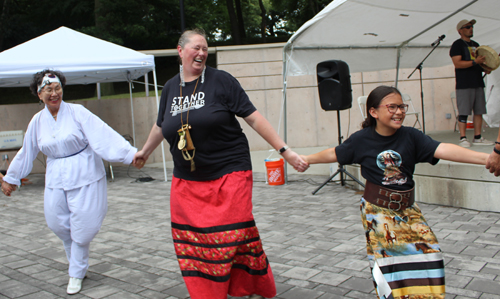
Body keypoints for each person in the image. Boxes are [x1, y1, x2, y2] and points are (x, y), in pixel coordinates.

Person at [133, 28, 307, 299]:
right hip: (188, 181)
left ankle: (237, 286)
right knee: (194, 242)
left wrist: (285, 150)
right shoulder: (170, 87)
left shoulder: (221, 81)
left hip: (230, 172)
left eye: (205, 48)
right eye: (196, 47)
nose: (202, 53)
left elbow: (253, 118)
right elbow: (161, 125)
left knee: (229, 235)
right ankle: (222, 290)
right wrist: (144, 151)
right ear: (180, 51)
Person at [299, 86, 489, 299]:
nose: (399, 112)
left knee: (430, 255)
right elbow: (335, 153)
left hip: (408, 209)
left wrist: (486, 159)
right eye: (392, 107)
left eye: (401, 106)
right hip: (378, 212)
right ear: (374, 112)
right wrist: (306, 159)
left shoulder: (411, 136)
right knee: (389, 266)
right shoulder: (361, 139)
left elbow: (443, 149)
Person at [0, 69, 139, 295]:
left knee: (84, 227)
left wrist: (131, 155)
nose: (54, 94)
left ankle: (75, 272)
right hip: (56, 176)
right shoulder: (37, 121)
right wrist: (11, 178)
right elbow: (27, 152)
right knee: (56, 222)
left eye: (57, 88)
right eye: (48, 90)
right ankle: (78, 263)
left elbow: (103, 134)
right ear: (39, 94)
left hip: (86, 175)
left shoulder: (78, 112)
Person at [450, 19, 494, 147]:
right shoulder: (457, 45)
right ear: (460, 31)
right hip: (464, 83)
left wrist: (486, 68)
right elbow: (457, 63)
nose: (471, 29)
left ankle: (478, 137)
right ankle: (463, 137)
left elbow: (479, 64)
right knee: (464, 111)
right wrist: (476, 62)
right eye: (468, 27)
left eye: (472, 26)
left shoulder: (476, 44)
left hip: (478, 82)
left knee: (479, 111)